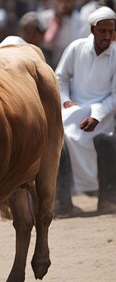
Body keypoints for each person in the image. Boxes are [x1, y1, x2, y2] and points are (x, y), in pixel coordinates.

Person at [54, 6, 116, 215]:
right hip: (73, 110)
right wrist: (66, 101)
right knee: (58, 139)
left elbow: (114, 97)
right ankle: (63, 202)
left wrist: (96, 116)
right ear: (92, 30)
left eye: (111, 31)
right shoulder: (76, 47)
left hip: (104, 115)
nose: (107, 36)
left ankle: (106, 198)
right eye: (102, 32)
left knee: (106, 141)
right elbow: (59, 78)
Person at [40, 0, 86, 67]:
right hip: (51, 62)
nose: (64, 4)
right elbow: (46, 44)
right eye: (61, 1)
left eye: (68, 1)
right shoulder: (46, 17)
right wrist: (56, 22)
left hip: (74, 62)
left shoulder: (81, 20)